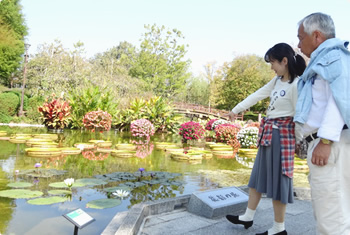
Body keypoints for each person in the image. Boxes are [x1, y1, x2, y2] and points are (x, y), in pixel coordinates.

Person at [225, 43, 306, 235]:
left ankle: (279, 228)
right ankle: (248, 217)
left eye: (273, 63)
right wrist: (235, 110)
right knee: (257, 178)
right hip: (268, 134)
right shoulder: (277, 81)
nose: (271, 67)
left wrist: (298, 141)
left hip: (283, 138)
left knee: (279, 183)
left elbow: (300, 117)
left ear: (284, 61)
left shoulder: (297, 84)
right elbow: (257, 95)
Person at [295, 12, 350, 235]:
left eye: (300, 38)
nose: (298, 45)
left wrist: (325, 140)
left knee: (331, 219)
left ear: (316, 35)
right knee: (338, 211)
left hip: (330, 145)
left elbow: (341, 98)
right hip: (330, 144)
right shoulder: (332, 57)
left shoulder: (333, 57)